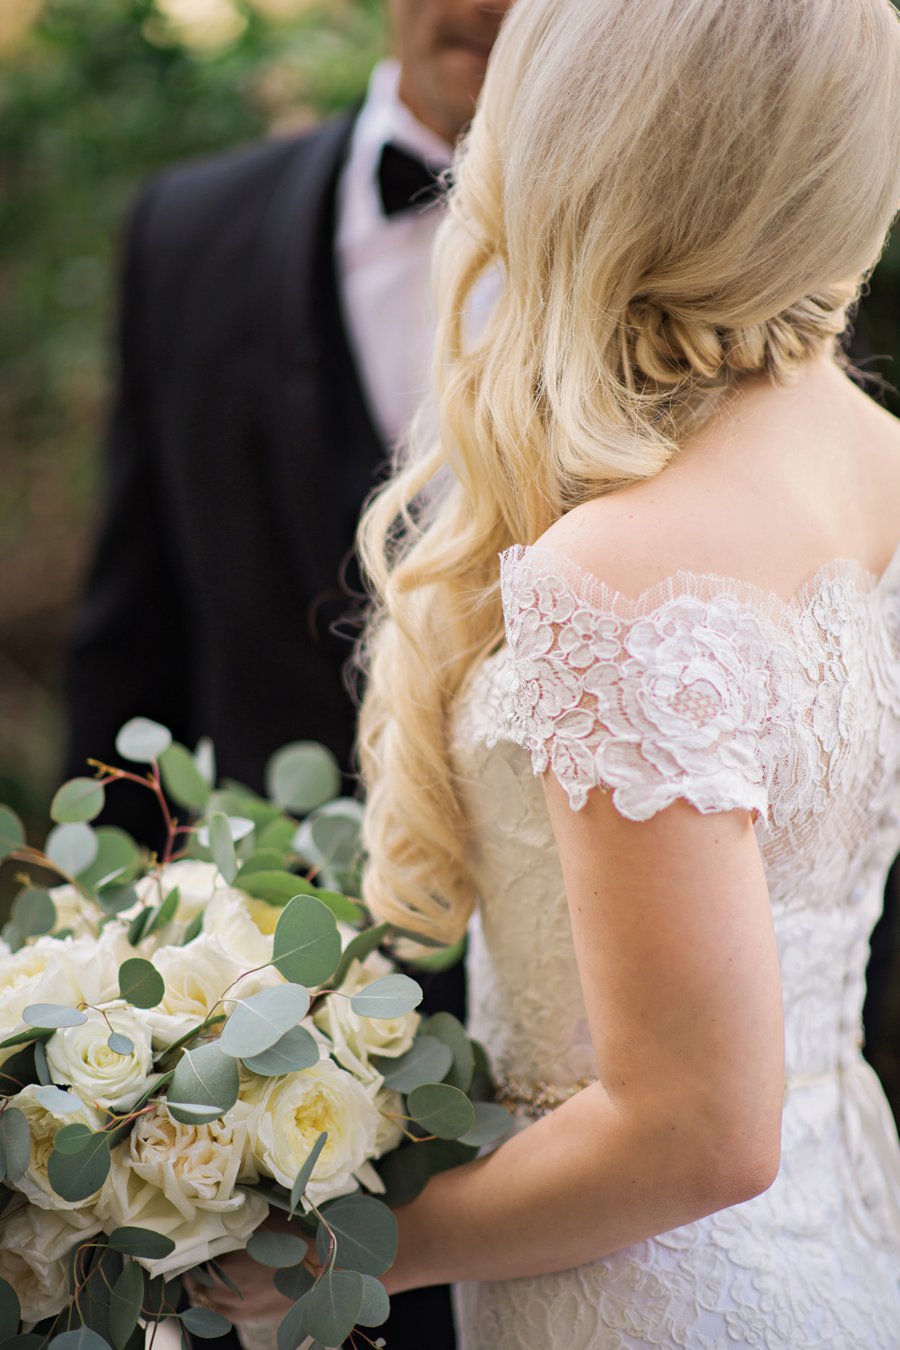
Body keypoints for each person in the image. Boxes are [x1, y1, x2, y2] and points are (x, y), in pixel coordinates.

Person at [203, 0, 900, 1343]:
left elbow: (693, 1131)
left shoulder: (624, 563)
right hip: (842, 1246)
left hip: (651, 1292)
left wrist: (339, 1253)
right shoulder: (878, 461)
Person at [63, 4, 512, 1347]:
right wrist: (110, 1004)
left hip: (592, 1043)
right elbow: (129, 641)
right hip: (256, 1066)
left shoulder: (686, 248)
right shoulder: (189, 231)